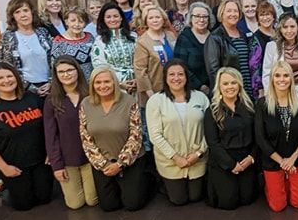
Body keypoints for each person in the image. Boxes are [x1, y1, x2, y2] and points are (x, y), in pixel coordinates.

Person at [0, 62, 52, 211]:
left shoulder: (32, 99)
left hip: (40, 161)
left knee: (44, 199)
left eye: (10, 76)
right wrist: (4, 168)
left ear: (16, 77)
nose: (6, 81)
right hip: (14, 166)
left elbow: (48, 127)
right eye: (0, 78)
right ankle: (1, 185)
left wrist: (51, 152)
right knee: (23, 205)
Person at [79, 68, 150, 212]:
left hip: (130, 159)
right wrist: (103, 163)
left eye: (107, 81)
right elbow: (85, 138)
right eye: (98, 82)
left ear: (115, 82)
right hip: (102, 162)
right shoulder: (85, 104)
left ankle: (148, 180)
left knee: (133, 204)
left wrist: (120, 164)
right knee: (108, 206)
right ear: (92, 85)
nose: (102, 86)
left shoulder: (129, 101)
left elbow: (135, 136)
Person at [146, 60, 208, 206]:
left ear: (186, 77)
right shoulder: (156, 101)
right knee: (178, 200)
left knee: (195, 197)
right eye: (171, 74)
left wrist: (199, 153)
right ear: (165, 78)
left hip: (197, 159)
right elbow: (155, 135)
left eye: (180, 74)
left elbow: (210, 130)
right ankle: (164, 184)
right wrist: (175, 157)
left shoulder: (200, 97)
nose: (176, 78)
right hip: (170, 161)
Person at [255, 61, 298, 211]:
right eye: (277, 75)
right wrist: (282, 162)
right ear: (272, 79)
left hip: (297, 158)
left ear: (291, 79)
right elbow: (260, 138)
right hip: (273, 160)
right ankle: (276, 184)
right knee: (278, 206)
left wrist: (292, 159)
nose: (282, 79)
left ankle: (286, 181)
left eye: (286, 75)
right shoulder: (262, 104)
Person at [43, 57, 98, 210]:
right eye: (61, 72)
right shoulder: (52, 100)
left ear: (77, 71)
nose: (66, 74)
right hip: (67, 159)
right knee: (75, 204)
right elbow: (50, 135)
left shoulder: (90, 94)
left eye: (69, 70)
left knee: (92, 200)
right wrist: (56, 165)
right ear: (56, 75)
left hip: (91, 157)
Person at [203, 67, 259, 210]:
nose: (230, 87)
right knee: (229, 202)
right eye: (225, 84)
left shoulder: (250, 107)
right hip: (224, 161)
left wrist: (251, 157)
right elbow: (213, 143)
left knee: (247, 199)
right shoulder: (213, 111)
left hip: (246, 159)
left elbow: (258, 136)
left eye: (233, 83)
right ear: (219, 87)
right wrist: (231, 165)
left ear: (239, 85)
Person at [0, 0, 53, 96]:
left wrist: (51, 83)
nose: (23, 15)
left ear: (31, 12)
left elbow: (55, 58)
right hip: (24, 90)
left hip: (50, 87)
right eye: (17, 12)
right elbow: (6, 67)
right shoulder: (8, 37)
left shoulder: (43, 32)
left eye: (25, 10)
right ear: (13, 17)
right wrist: (31, 88)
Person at [204, 0, 258, 95]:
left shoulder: (244, 35)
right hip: (229, 91)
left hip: (247, 90)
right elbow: (213, 71)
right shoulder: (215, 38)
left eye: (235, 11)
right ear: (222, 14)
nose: (233, 14)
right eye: (229, 11)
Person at [134, 5, 178, 107]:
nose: (155, 20)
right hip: (155, 92)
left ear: (163, 19)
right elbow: (140, 71)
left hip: (174, 88)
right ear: (146, 21)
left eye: (157, 17)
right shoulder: (142, 42)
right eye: (151, 18)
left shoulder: (170, 35)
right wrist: (152, 96)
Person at [90, 3, 137, 94]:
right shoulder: (100, 41)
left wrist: (137, 80)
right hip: (114, 87)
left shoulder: (133, 37)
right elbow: (99, 66)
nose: (112, 19)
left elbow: (142, 61)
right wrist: (119, 83)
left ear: (121, 18)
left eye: (115, 16)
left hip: (137, 84)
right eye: (108, 17)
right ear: (103, 20)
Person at [263, 14, 298, 98]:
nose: (289, 30)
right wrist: (269, 95)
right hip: (279, 93)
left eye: (292, 26)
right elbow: (267, 73)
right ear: (280, 29)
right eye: (285, 27)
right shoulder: (271, 46)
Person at [174, 2, 211, 94]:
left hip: (216, 88)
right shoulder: (184, 38)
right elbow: (180, 65)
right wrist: (200, 86)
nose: (201, 20)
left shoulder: (215, 36)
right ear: (191, 18)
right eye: (197, 16)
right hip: (192, 89)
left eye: (205, 16)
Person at [50, 6, 94, 80]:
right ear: (67, 22)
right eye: (73, 20)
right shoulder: (59, 41)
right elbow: (54, 66)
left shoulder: (90, 37)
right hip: (71, 83)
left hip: (91, 82)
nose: (77, 24)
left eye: (81, 21)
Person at [248, 1, 277, 96]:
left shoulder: (280, 34)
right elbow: (254, 66)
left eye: (268, 14)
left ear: (273, 16)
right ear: (257, 18)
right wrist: (260, 88)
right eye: (261, 15)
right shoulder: (255, 38)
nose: (265, 18)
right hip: (265, 84)